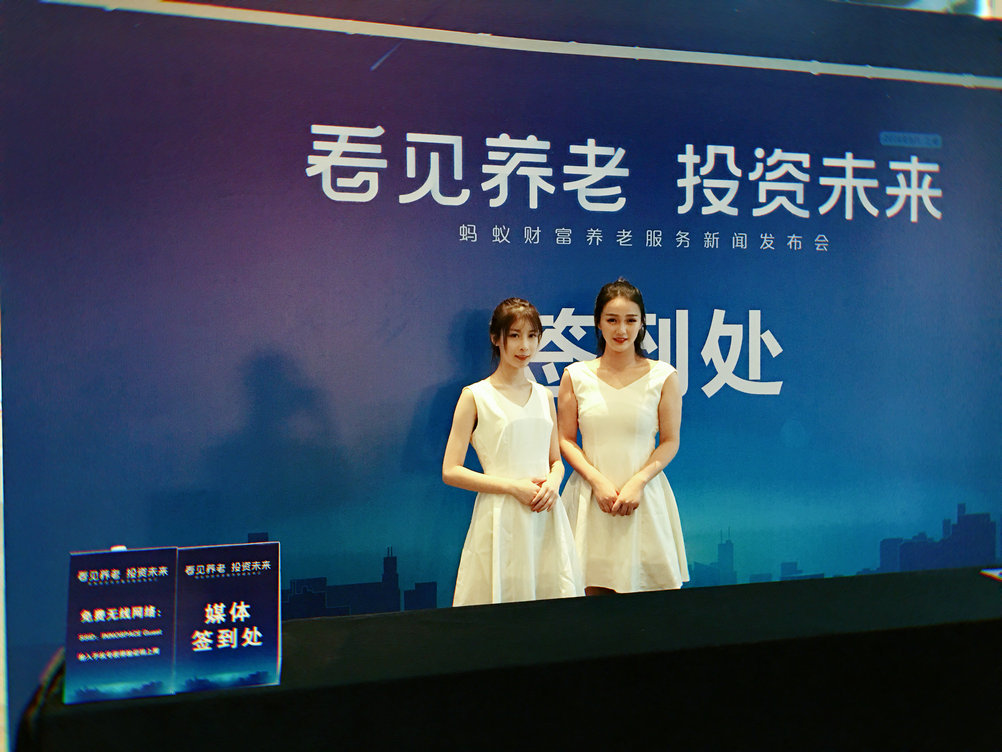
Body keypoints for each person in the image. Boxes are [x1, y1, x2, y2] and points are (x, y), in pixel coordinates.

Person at [443, 298, 583, 605]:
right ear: (496, 338)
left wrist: (554, 482)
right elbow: (450, 471)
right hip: (499, 516)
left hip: (545, 514)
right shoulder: (475, 396)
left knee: (550, 605)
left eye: (532, 336)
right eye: (515, 335)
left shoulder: (544, 395)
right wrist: (512, 487)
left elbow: (555, 460)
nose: (525, 346)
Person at [558, 279, 688, 594]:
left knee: (651, 605)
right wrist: (597, 482)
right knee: (589, 597)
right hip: (590, 499)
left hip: (644, 497)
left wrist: (638, 482)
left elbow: (670, 441)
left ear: (642, 323)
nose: (621, 330)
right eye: (612, 320)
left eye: (631, 320)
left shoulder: (663, 376)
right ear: (598, 323)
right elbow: (565, 439)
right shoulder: (576, 376)